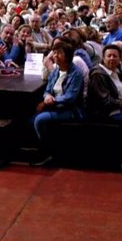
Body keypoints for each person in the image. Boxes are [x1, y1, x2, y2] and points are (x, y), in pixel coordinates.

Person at [30, 38, 85, 166]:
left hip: (71, 109)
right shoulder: (56, 70)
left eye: (59, 53)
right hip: (55, 106)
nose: (55, 56)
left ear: (68, 56)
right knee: (31, 119)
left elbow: (70, 97)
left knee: (40, 120)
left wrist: (51, 101)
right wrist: (47, 96)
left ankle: (47, 152)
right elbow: (47, 89)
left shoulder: (75, 73)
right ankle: (43, 146)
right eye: (54, 53)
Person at [87, 44, 122, 122]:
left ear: (120, 59)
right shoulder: (97, 74)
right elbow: (106, 101)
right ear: (103, 58)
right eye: (109, 56)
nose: (112, 58)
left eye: (115, 56)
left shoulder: (118, 71)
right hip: (105, 113)